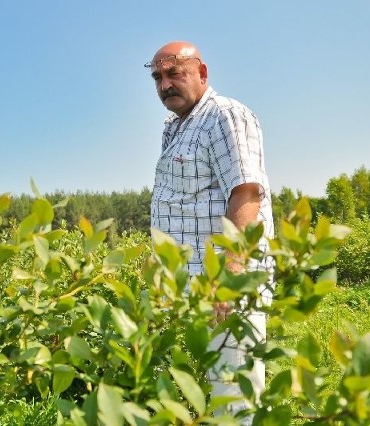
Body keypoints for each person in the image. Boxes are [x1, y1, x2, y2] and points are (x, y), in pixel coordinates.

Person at [146, 41, 274, 423]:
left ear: (201, 74)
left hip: (223, 282)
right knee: (209, 389)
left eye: (174, 73)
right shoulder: (175, 127)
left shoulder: (225, 114)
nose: (165, 84)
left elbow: (246, 192)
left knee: (233, 395)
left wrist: (230, 276)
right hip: (192, 284)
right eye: (157, 77)